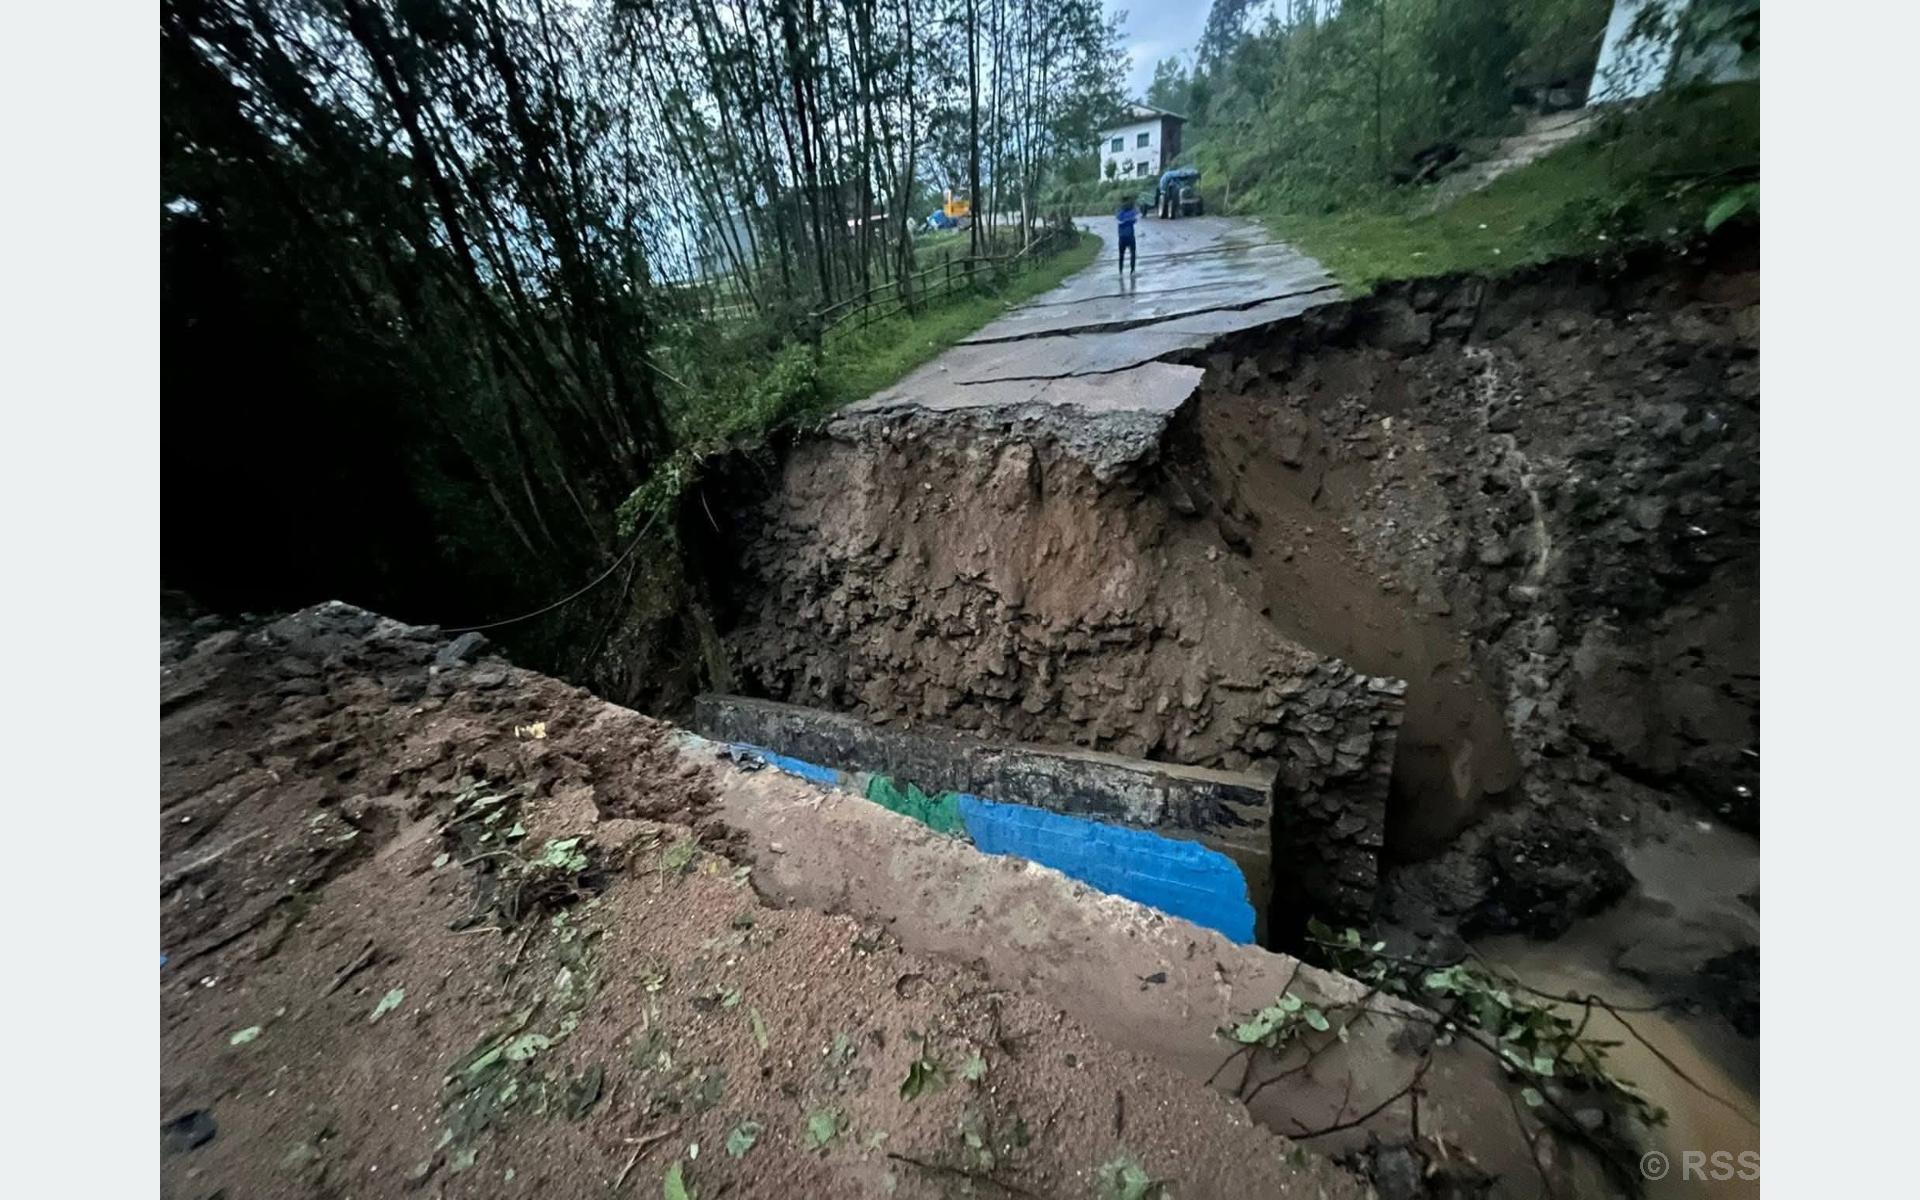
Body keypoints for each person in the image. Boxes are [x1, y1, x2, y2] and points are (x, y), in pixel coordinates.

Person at [1116, 198, 1139, 276]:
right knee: (1132, 253)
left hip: (1122, 237)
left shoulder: (1119, 213)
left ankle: (1120, 271)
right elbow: (1136, 218)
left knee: (1121, 255)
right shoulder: (1131, 212)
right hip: (1130, 236)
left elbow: (1119, 221)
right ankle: (1132, 270)